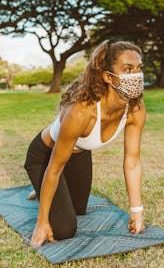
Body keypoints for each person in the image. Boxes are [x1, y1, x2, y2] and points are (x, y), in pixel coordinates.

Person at [24, 40, 146, 248]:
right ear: (108, 77)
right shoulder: (81, 111)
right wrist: (42, 222)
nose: (136, 75)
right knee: (64, 229)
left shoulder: (135, 109)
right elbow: (54, 168)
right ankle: (40, 183)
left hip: (79, 154)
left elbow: (132, 162)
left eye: (139, 69)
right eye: (127, 69)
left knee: (80, 208)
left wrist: (137, 211)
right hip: (45, 156)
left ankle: (49, 188)